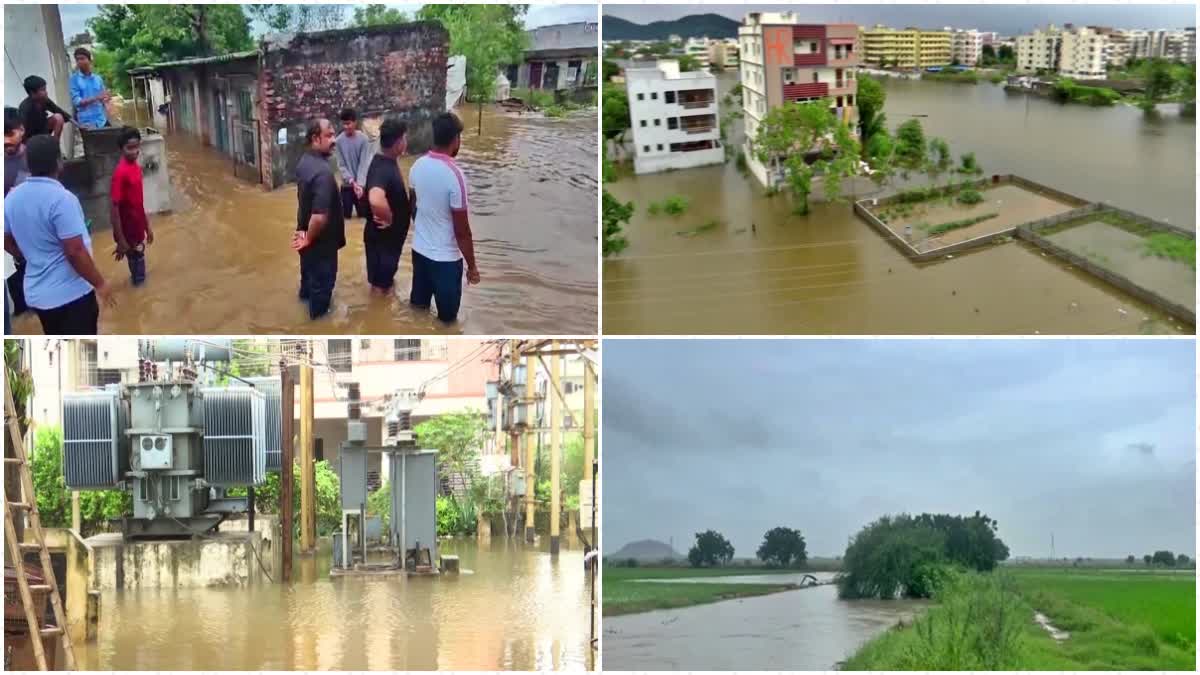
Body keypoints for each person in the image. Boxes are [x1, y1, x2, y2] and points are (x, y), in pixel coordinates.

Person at [3, 135, 115, 334]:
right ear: (59, 162)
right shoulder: (62, 199)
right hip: (71, 295)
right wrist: (100, 283)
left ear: (27, 163)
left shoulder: (11, 198)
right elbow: (75, 251)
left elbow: (6, 240)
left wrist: (26, 255)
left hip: (38, 295)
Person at [408, 112, 479, 324]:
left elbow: (414, 207)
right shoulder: (455, 176)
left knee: (417, 312)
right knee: (447, 322)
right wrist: (472, 266)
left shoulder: (416, 166)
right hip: (446, 262)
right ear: (456, 139)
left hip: (419, 252)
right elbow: (462, 231)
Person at [292, 118, 345, 319]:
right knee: (321, 294)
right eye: (329, 135)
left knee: (308, 285)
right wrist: (309, 238)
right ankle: (317, 325)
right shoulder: (323, 173)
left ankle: (305, 311)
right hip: (320, 246)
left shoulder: (304, 161)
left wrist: (304, 237)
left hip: (305, 239)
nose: (334, 140)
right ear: (315, 138)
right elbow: (320, 217)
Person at [363, 119, 411, 295]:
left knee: (383, 284)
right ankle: (377, 319)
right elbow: (375, 198)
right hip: (384, 242)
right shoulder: (383, 167)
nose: (406, 142)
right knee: (381, 289)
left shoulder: (384, 162)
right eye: (405, 138)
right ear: (398, 142)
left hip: (384, 241)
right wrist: (389, 217)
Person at [110, 127, 153, 285]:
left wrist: (147, 227)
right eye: (130, 148)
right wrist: (121, 239)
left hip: (137, 226)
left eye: (137, 147)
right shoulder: (120, 173)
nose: (134, 151)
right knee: (138, 269)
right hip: (128, 230)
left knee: (138, 263)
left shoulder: (135, 167)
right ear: (121, 149)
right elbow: (114, 210)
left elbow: (139, 202)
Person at [5, 107, 29, 323]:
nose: (6, 141)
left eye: (9, 133)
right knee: (15, 279)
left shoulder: (34, 156)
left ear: (21, 130)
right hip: (10, 235)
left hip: (34, 230)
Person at [333, 108, 370, 219]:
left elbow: (364, 163)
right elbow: (341, 165)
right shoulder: (338, 141)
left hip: (361, 185)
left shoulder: (364, 139)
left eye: (348, 123)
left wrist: (360, 185)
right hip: (347, 185)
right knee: (346, 217)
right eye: (344, 124)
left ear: (355, 122)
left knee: (364, 216)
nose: (346, 127)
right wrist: (352, 182)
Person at [69, 47, 110, 130]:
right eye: (77, 59)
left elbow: (104, 98)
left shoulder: (98, 78)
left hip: (101, 120)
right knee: (91, 143)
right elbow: (77, 102)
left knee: (109, 141)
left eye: (82, 58)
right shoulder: (74, 79)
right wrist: (96, 98)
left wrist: (107, 98)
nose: (79, 62)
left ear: (89, 60)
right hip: (86, 123)